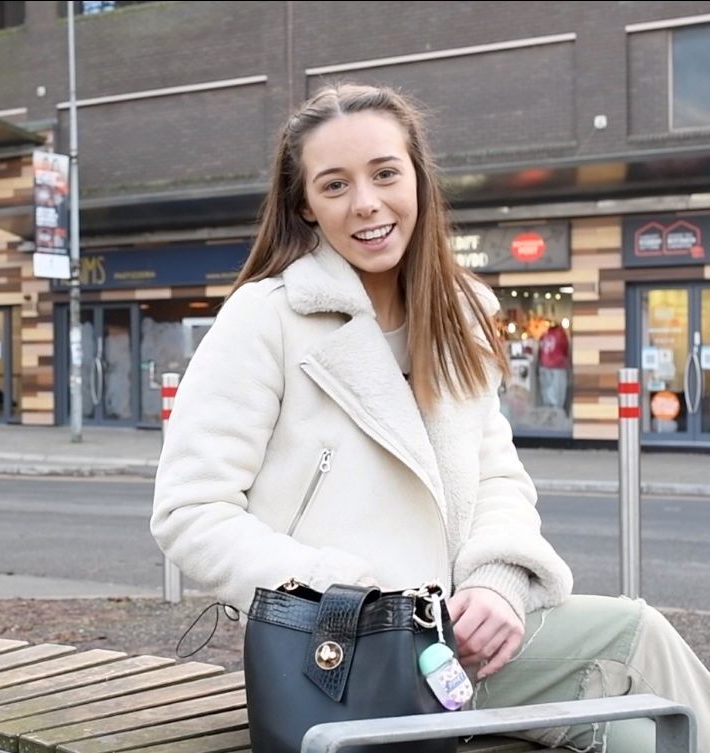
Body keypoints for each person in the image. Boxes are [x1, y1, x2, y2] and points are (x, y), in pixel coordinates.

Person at [151, 83, 710, 753]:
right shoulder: (266, 318)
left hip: (459, 644)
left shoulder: (459, 311)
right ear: (306, 204)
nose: (367, 203)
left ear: (416, 175)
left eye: (385, 173)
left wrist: (499, 583)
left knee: (638, 651)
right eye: (335, 185)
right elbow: (190, 512)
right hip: (342, 657)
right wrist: (355, 597)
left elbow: (498, 476)